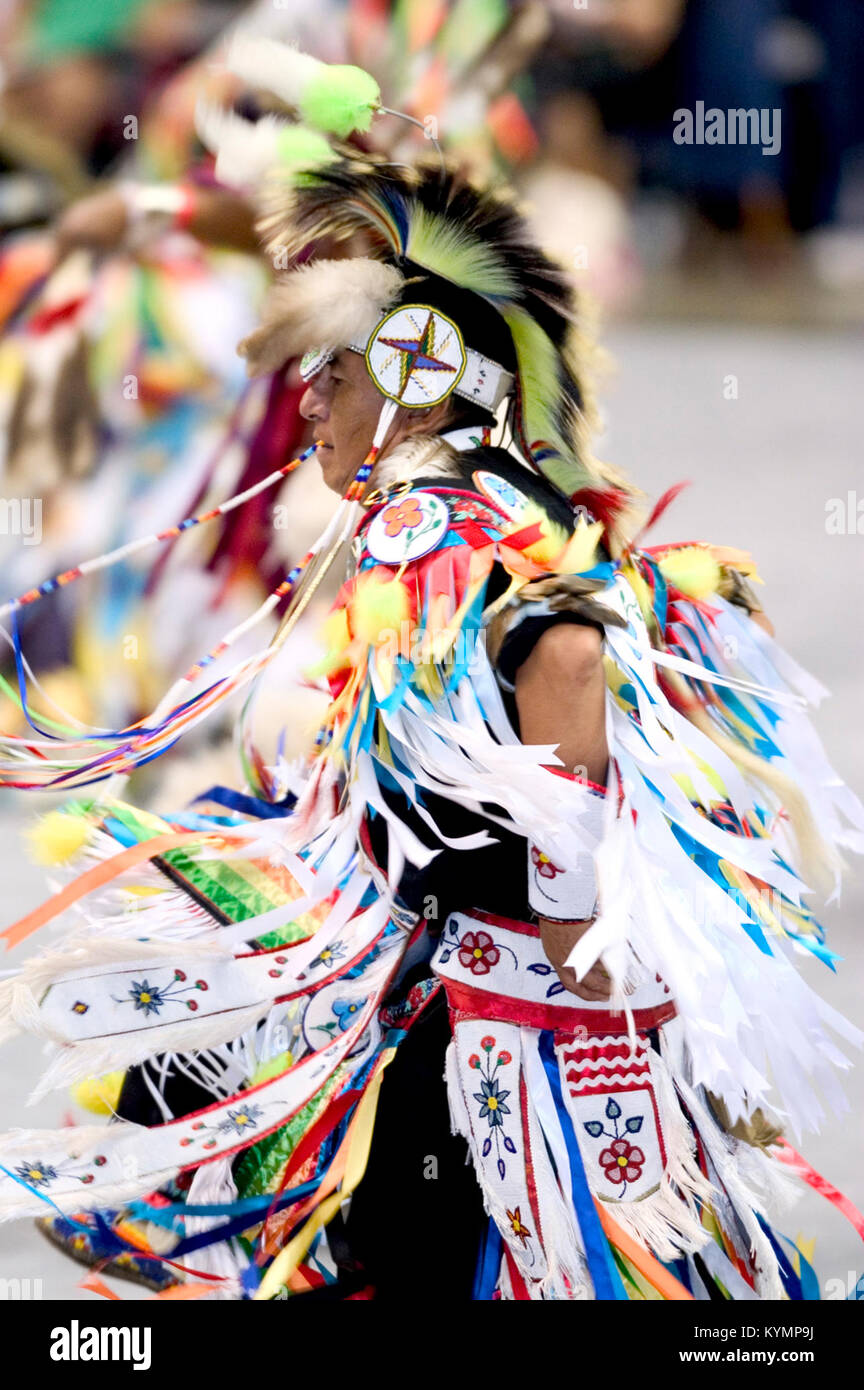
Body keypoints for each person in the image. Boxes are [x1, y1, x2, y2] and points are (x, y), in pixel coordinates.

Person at [0, 51, 862, 1302]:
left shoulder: (505, 576)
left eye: (333, 376)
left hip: (512, 1077)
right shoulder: (416, 552)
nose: (308, 407)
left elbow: (572, 809)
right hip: (427, 1033)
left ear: (418, 378)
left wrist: (609, 1030)